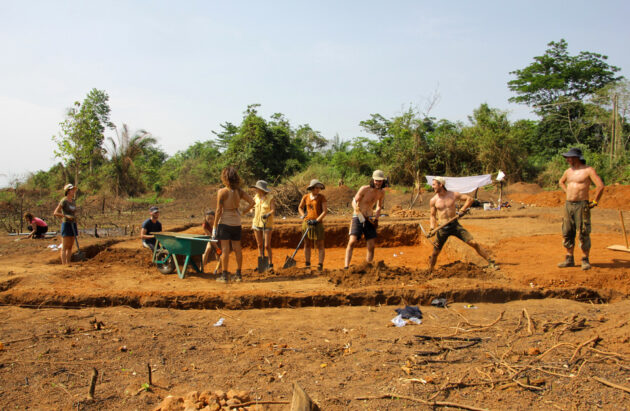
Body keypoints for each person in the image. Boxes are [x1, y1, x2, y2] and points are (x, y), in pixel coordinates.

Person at [427, 177, 497, 274]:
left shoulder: (453, 194)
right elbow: (432, 216)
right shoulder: (433, 200)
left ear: (441, 185)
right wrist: (432, 227)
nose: (432, 186)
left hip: (455, 225)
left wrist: (462, 209)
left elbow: (470, 199)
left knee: (473, 243)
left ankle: (491, 262)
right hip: (442, 228)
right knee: (435, 253)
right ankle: (430, 270)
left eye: (434, 184)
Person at [557, 148, 605, 270]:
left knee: (583, 232)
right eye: (567, 157)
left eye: (569, 157)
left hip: (582, 205)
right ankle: (569, 258)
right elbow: (561, 182)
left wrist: (594, 202)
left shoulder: (588, 170)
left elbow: (600, 186)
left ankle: (585, 260)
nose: (567, 159)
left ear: (576, 158)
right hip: (568, 205)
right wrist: (567, 191)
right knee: (567, 231)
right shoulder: (568, 171)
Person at [213, 167, 255, 283]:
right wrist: (243, 212)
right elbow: (252, 202)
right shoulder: (239, 191)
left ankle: (225, 275)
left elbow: (218, 211)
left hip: (225, 223)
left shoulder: (222, 192)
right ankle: (239, 274)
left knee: (225, 250)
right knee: (237, 249)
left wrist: (214, 226)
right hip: (236, 222)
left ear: (225, 178)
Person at [344, 170, 387, 269]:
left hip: (369, 218)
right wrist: (357, 210)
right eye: (376, 180)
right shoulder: (364, 189)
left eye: (380, 181)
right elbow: (354, 201)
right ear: (373, 180)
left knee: (371, 245)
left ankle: (368, 266)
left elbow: (379, 206)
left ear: (383, 181)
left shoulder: (382, 192)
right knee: (352, 241)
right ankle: (346, 266)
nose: (378, 183)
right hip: (358, 216)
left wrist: (376, 219)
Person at [298, 179, 328, 271]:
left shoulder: (322, 197)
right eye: (316, 188)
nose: (318, 189)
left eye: (319, 188)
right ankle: (307, 263)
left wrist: (316, 220)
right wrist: (303, 216)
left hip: (317, 223)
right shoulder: (306, 197)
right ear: (312, 188)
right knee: (307, 243)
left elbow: (324, 211)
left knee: (320, 244)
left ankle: (320, 264)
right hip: (307, 223)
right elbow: (300, 207)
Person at [251, 180, 275, 271]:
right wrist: (251, 210)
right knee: (259, 244)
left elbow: (273, 210)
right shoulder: (256, 197)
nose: (256, 190)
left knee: (266, 245)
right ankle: (261, 263)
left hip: (267, 223)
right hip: (256, 223)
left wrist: (268, 214)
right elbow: (252, 207)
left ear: (261, 189)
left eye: (257, 188)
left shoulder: (270, 198)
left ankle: (270, 264)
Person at [53, 183, 78, 264]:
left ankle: (68, 263)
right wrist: (65, 216)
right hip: (66, 224)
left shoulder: (73, 201)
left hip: (73, 223)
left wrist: (73, 218)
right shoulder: (64, 201)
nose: (73, 191)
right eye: (71, 190)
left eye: (73, 190)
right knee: (64, 246)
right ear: (67, 191)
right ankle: (64, 264)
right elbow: (56, 212)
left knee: (70, 246)